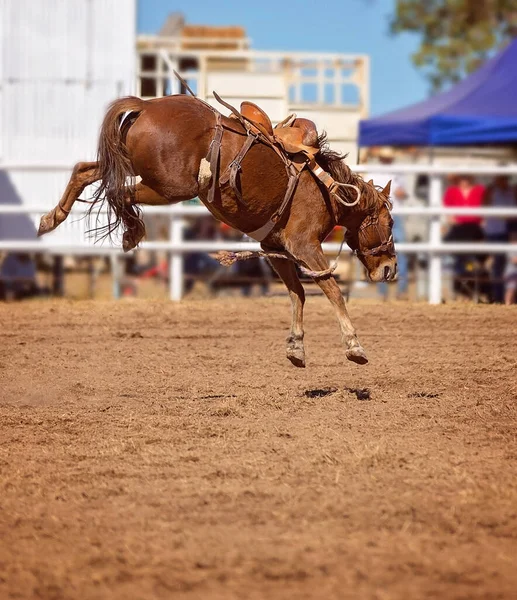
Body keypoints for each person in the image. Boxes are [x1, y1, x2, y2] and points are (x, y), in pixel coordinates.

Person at [367, 147, 409, 300]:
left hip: (394, 214)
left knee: (399, 252)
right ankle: (385, 290)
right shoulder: (375, 172)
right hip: (386, 215)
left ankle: (399, 290)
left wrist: (401, 193)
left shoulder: (396, 172)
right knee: (384, 252)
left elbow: (403, 193)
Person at [443, 175, 485, 297]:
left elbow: (486, 205)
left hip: (475, 230)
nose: (464, 181)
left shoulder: (479, 190)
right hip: (459, 230)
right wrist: (450, 219)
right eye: (462, 178)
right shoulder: (452, 191)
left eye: (466, 178)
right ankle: (461, 288)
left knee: (473, 260)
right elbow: (448, 211)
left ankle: (470, 287)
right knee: (460, 259)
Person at [483, 176, 517, 303]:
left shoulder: (512, 190)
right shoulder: (491, 191)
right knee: (498, 264)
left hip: (510, 231)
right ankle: (498, 297)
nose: (504, 181)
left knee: (509, 264)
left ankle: (507, 297)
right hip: (496, 231)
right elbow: (484, 207)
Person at [504, 227, 517, 305]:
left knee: (513, 290)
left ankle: (512, 305)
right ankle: (507, 304)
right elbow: (514, 260)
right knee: (511, 289)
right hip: (511, 271)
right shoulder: (510, 248)